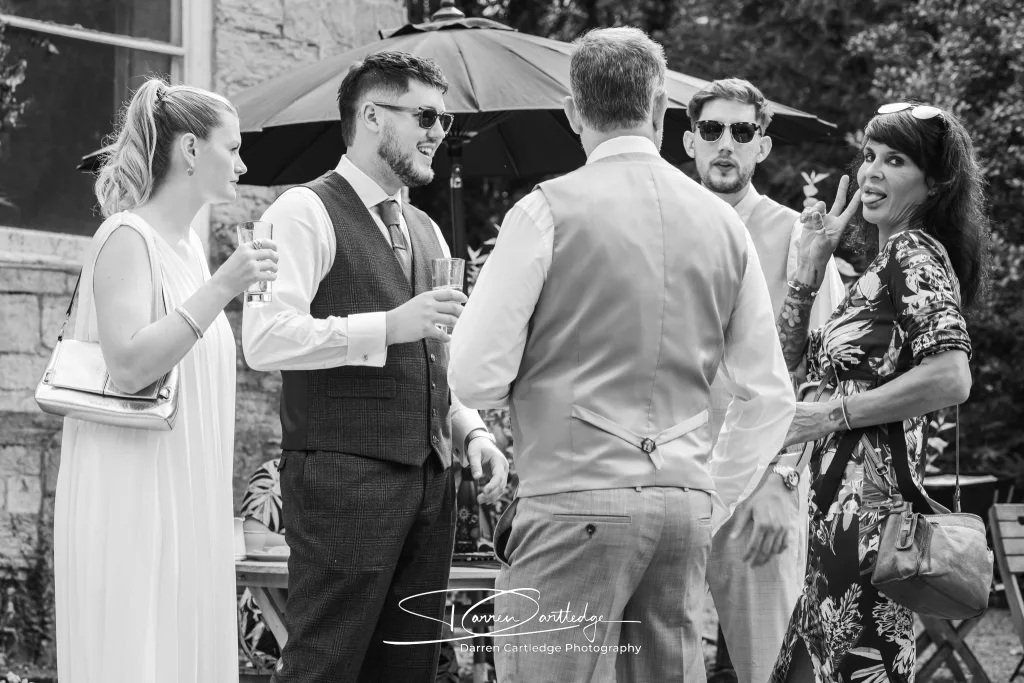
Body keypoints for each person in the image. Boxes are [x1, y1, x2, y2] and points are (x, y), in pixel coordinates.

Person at [449, 28, 796, 683]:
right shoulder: (725, 225)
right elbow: (769, 393)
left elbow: (472, 374)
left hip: (571, 499)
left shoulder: (545, 213)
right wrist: (710, 495)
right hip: (682, 509)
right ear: (662, 106)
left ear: (574, 110)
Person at [241, 51, 509, 683]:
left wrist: (471, 429)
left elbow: (433, 357)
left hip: (429, 483)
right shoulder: (300, 213)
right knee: (326, 663)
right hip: (340, 476)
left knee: (408, 670)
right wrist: (389, 326)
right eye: (425, 116)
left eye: (443, 121)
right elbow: (266, 339)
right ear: (370, 116)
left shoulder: (426, 230)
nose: (438, 133)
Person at [53, 78, 279, 683]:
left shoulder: (192, 251)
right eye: (231, 148)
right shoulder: (127, 237)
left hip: (189, 497)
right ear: (188, 150)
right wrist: (224, 288)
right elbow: (127, 365)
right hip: (134, 496)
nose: (242, 161)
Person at [768, 102, 987, 683]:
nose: (871, 173)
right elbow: (786, 365)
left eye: (894, 160)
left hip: (871, 528)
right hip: (833, 520)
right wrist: (808, 270)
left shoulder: (916, 254)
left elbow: (952, 377)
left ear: (934, 183)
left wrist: (829, 416)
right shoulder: (880, 264)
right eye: (869, 156)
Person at [681, 78, 846, 683]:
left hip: (762, 487)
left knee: (764, 667)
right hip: (673, 488)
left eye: (742, 132)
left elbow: (827, 373)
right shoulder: (665, 226)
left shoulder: (799, 239)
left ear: (763, 147)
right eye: (712, 130)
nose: (726, 143)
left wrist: (784, 480)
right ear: (690, 141)